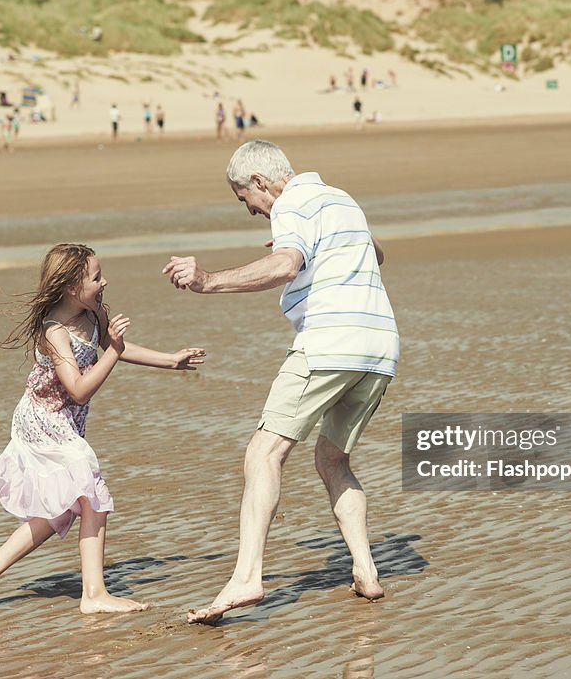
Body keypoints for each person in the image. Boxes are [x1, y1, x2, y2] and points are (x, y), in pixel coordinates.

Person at [163, 140, 399, 624]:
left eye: (244, 199)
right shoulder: (339, 197)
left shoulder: (290, 203)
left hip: (330, 341)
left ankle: (248, 578)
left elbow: (285, 265)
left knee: (263, 452)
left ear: (260, 182)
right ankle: (366, 571)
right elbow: (374, 252)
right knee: (333, 458)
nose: (250, 211)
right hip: (379, 347)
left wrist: (207, 280)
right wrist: (314, 248)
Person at [0, 243, 205, 617]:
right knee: (91, 493)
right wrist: (113, 351)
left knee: (61, 508)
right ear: (71, 287)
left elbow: (114, 347)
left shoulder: (94, 312)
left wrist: (169, 360)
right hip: (42, 420)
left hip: (65, 421)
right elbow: (78, 390)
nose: (104, 281)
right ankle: (93, 594)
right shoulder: (54, 331)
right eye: (96, 277)